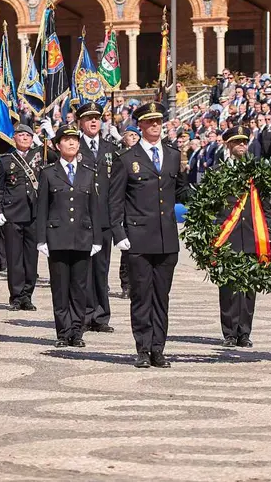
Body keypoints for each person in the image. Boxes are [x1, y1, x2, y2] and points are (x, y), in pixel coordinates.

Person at [109, 102, 192, 368]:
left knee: (161, 298)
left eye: (159, 121)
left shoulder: (172, 155)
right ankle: (143, 348)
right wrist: (119, 233)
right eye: (150, 121)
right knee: (142, 296)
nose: (156, 125)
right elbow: (116, 200)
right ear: (141, 125)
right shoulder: (127, 159)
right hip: (139, 238)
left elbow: (182, 192)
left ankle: (159, 348)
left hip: (166, 238)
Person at [36, 124, 102, 347]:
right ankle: (64, 332)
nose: (72, 143)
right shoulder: (48, 173)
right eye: (67, 139)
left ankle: (77, 331)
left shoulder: (88, 172)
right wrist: (41, 239)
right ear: (57, 145)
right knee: (60, 288)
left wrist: (97, 239)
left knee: (80, 288)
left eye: (75, 139)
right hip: (57, 237)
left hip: (83, 237)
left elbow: (94, 207)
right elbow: (42, 208)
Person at [214, 126, 271, 348]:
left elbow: (265, 205)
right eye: (236, 142)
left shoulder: (255, 172)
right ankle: (229, 332)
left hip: (252, 235)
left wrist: (270, 232)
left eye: (244, 142)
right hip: (227, 236)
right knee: (228, 287)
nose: (241, 146)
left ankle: (244, 332)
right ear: (227, 145)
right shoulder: (218, 172)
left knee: (249, 287)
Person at [0, 125, 52, 311]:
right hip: (12, 215)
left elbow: (59, 158)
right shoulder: (6, 160)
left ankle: (28, 295)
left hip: (34, 215)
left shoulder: (41, 155)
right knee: (14, 258)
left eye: (28, 135)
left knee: (31, 259)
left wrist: (48, 136)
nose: (25, 138)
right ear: (14, 138)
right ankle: (16, 296)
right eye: (21, 135)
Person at [77, 102, 119, 334]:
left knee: (101, 269)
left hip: (104, 219)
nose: (94, 122)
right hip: (82, 218)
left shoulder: (110, 148)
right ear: (81, 123)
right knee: (83, 268)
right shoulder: (74, 146)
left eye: (97, 118)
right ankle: (84, 313)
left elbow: (116, 186)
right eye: (89, 118)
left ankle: (101, 315)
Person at [117, 125, 140, 299]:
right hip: (125, 209)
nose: (134, 138)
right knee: (127, 249)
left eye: (136, 135)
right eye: (130, 135)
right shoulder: (120, 158)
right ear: (123, 138)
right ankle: (126, 284)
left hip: (140, 209)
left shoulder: (145, 157)